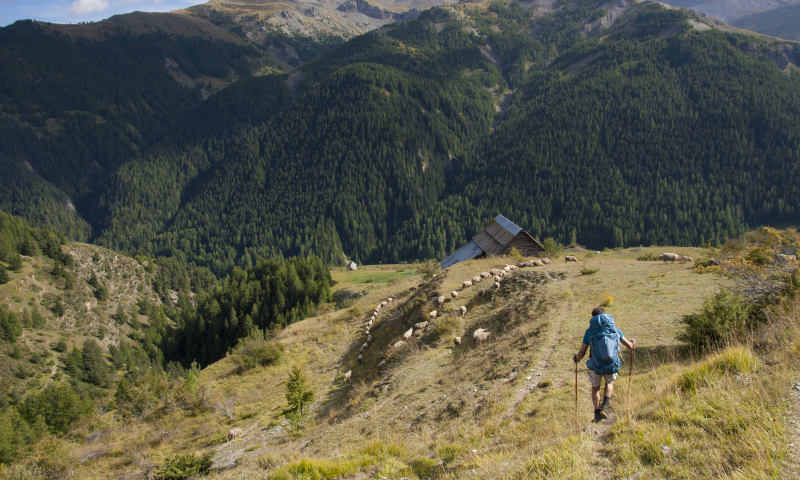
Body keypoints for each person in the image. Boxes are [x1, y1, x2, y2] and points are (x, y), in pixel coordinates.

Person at [573, 307, 635, 423]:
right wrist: (633, 343)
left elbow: (582, 352)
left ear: (593, 318)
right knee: (609, 383)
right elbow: (629, 346)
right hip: (611, 364)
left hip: (595, 365)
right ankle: (605, 408)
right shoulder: (615, 330)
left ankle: (596, 414)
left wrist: (576, 358)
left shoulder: (589, 332)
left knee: (595, 387)